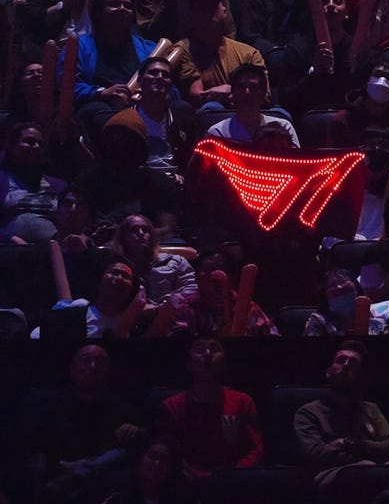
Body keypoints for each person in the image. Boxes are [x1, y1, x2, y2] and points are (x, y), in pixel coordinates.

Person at [28, 344, 145, 502]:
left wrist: (135, 432)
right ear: (72, 369)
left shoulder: (124, 412)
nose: (93, 366)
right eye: (86, 360)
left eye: (100, 362)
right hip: (58, 489)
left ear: (108, 372)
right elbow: (31, 452)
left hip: (108, 492)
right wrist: (63, 465)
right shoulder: (48, 409)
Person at [293, 340, 389, 486]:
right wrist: (361, 449)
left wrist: (348, 445)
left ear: (361, 375)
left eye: (353, 363)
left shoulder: (371, 409)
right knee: (366, 466)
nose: (345, 366)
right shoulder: (308, 412)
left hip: (372, 469)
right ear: (328, 372)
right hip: (330, 475)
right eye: (340, 360)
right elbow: (315, 455)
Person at [158, 338, 264, 479]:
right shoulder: (171, 406)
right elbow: (169, 452)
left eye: (214, 348)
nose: (208, 353)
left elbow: (255, 449)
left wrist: (231, 475)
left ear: (224, 363)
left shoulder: (243, 402)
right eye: (200, 349)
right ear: (189, 364)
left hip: (234, 482)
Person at [174, 0, 265, 109]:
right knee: (213, 107)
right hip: (206, 118)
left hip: (248, 113)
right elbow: (197, 95)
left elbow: (263, 94)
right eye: (201, 6)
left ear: (225, 11)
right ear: (192, 14)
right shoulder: (183, 49)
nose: (207, 10)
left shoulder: (249, 53)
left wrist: (230, 92)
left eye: (213, 4)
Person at [108, 214, 197, 320]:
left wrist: (165, 305)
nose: (141, 233)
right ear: (124, 237)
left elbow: (191, 289)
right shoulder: (114, 267)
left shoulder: (175, 261)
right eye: (133, 230)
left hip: (170, 319)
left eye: (145, 230)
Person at [0, 122, 66, 243]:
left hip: (53, 248)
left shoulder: (58, 185)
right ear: (11, 146)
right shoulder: (3, 180)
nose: (36, 147)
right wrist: (8, 237)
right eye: (29, 141)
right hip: (8, 249)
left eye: (40, 144)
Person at [207, 64, 300, 146]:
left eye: (253, 87)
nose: (247, 92)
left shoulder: (284, 127)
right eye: (241, 87)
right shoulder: (218, 132)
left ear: (264, 94)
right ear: (233, 93)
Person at [305, 268, 383, 336]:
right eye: (332, 285)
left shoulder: (377, 322)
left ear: (356, 287)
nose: (339, 287)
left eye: (343, 281)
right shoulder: (318, 321)